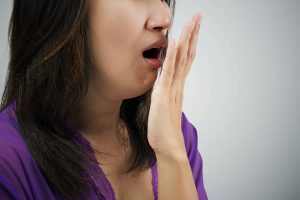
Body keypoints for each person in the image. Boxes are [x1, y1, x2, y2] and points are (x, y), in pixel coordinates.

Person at [0, 0, 207, 199]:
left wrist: (172, 154)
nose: (164, 18)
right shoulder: (8, 161)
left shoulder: (173, 133)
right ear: (63, 10)